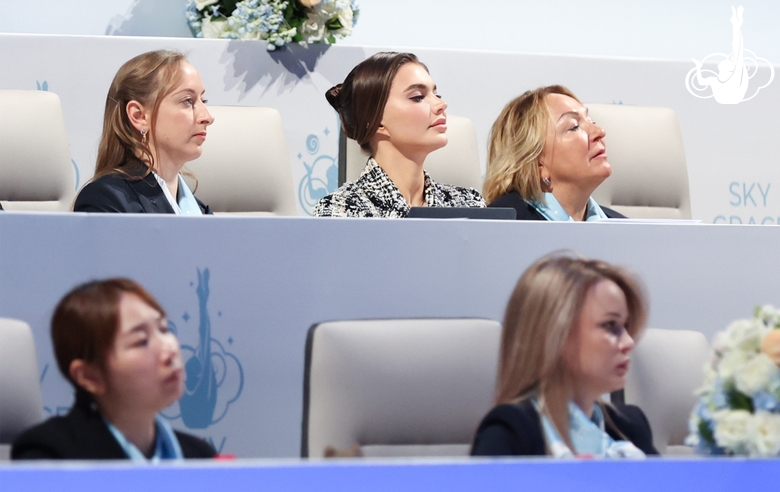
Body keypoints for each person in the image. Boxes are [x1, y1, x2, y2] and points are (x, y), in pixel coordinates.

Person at [471, 253, 658, 457]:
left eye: (626, 326)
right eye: (610, 326)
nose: (628, 343)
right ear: (555, 334)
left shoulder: (631, 426)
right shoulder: (509, 431)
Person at [12, 279, 216, 460]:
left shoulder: (200, 456)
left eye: (164, 329)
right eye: (141, 341)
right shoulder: (51, 456)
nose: (169, 349)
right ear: (89, 376)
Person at [313, 52, 485, 217]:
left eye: (436, 94)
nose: (441, 104)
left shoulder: (469, 204)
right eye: (418, 97)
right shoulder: (341, 211)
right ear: (376, 121)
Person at [74, 50, 214, 214]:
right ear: (139, 116)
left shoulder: (201, 212)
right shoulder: (107, 201)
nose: (207, 117)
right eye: (187, 101)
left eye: (203, 101)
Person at [483, 86, 624, 221]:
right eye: (574, 126)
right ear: (537, 164)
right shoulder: (500, 226)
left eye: (591, 121)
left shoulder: (628, 229)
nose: (600, 132)